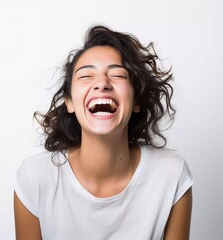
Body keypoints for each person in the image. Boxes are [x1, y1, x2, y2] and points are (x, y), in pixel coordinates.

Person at [13, 25, 193, 240]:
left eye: (117, 74)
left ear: (136, 100)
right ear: (69, 102)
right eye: (86, 76)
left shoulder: (171, 175)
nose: (102, 83)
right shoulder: (34, 178)